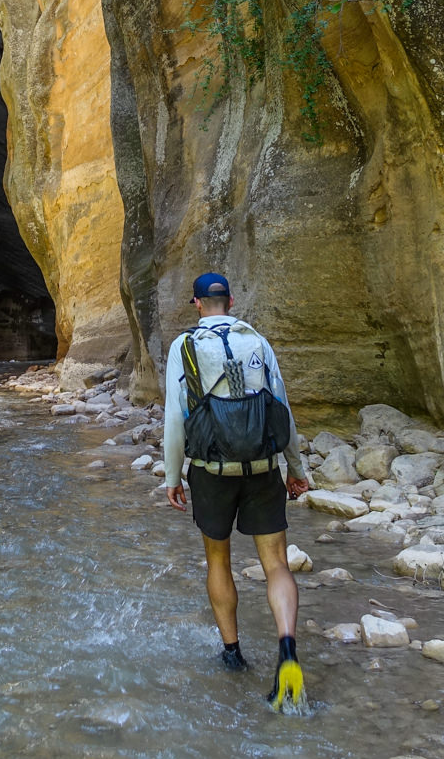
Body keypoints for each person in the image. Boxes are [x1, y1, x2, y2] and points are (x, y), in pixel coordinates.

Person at [163, 272, 310, 712]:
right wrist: (295, 468)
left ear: (196, 304)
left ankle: (232, 654)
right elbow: (281, 406)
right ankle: (287, 650)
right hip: (264, 467)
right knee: (276, 564)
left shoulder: (185, 346)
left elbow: (176, 417)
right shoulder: (257, 341)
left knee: (218, 559)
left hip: (211, 471)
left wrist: (172, 477)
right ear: (231, 299)